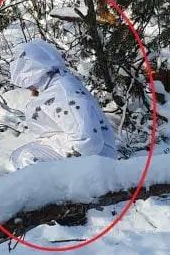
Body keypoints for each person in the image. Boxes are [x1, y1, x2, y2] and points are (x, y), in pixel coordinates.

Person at [8, 40, 117, 168]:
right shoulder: (54, 87)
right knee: (20, 155)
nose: (27, 87)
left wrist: (51, 143)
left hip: (96, 162)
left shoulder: (63, 92)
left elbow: (87, 141)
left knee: (27, 157)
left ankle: (47, 186)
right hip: (91, 157)